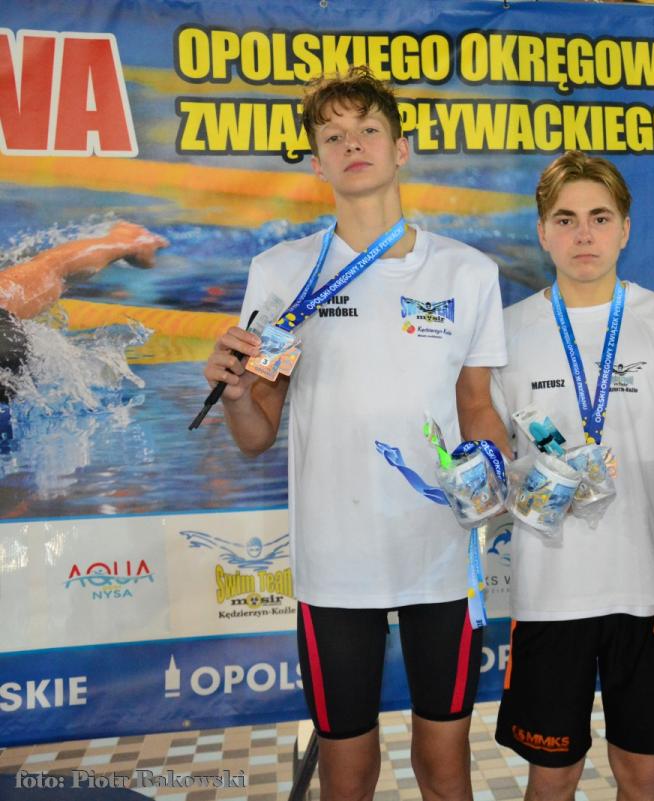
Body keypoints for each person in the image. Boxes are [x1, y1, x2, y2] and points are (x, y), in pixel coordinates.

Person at [202, 67, 509, 801]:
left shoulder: (467, 272)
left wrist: (497, 472)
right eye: (333, 136)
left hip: (441, 557)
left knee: (446, 769)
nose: (353, 145)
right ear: (317, 162)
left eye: (368, 130)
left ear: (401, 149)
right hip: (335, 562)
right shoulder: (283, 273)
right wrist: (237, 393)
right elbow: (256, 433)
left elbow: (477, 405)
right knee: (348, 775)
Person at [490, 151, 654, 801]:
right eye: (566, 219)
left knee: (642, 776)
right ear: (542, 231)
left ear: (625, 228)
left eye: (599, 217)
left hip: (647, 590)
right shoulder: (507, 333)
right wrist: (537, 483)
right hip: (550, 593)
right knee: (551, 777)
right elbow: (494, 471)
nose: (583, 234)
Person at [0, 221, 167, 395]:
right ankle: (129, 241)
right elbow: (56, 268)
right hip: (7, 346)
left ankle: (128, 242)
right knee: (52, 270)